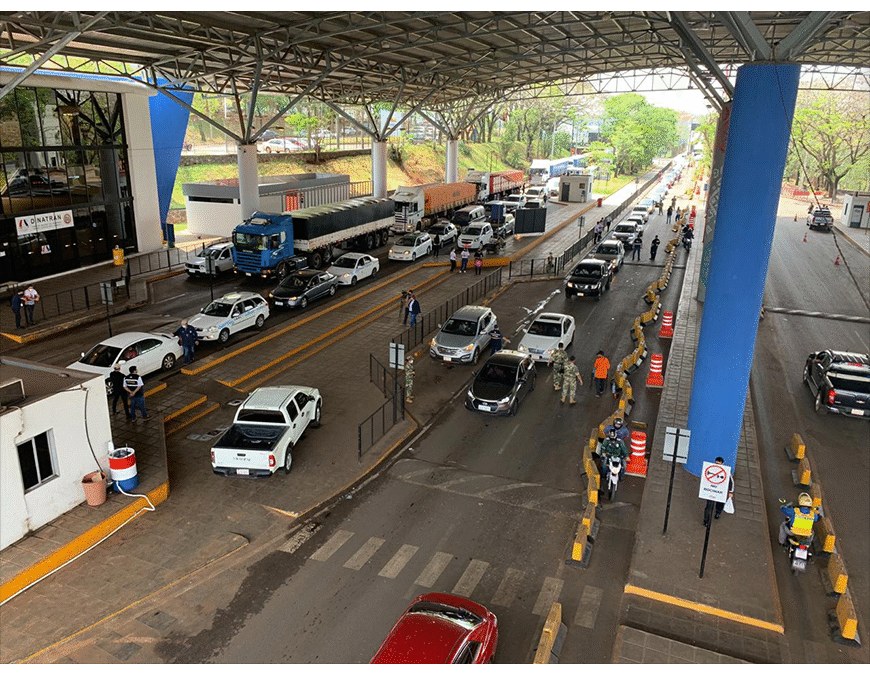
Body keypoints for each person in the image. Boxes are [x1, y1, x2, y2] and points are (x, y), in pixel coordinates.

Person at [703, 457, 734, 525]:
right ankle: (706, 520)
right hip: (711, 490)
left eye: (719, 463)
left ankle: (718, 512)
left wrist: (731, 491)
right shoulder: (710, 468)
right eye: (716, 463)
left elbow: (731, 482)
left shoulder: (726, 471)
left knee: (720, 504)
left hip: (721, 491)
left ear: (722, 464)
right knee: (709, 506)